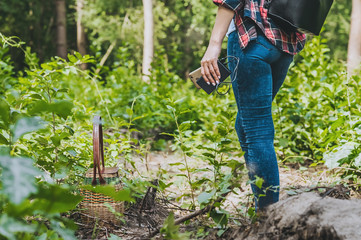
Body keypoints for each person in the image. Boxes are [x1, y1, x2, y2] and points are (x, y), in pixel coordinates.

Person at [201, 0, 306, 210]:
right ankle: (262, 202)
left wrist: (214, 45)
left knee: (257, 131)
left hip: (251, 38)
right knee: (246, 125)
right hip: (283, 43)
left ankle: (267, 215)